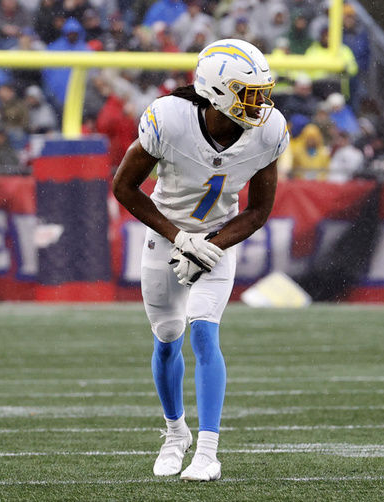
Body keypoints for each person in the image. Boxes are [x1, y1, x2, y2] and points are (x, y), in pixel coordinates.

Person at [112, 39, 288, 482]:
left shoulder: (268, 131)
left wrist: (210, 243)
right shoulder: (169, 119)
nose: (260, 103)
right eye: (249, 93)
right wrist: (179, 238)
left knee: (204, 334)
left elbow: (258, 210)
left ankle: (208, 452)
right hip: (164, 238)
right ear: (216, 90)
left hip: (217, 242)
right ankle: (175, 435)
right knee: (167, 338)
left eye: (262, 92)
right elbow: (124, 187)